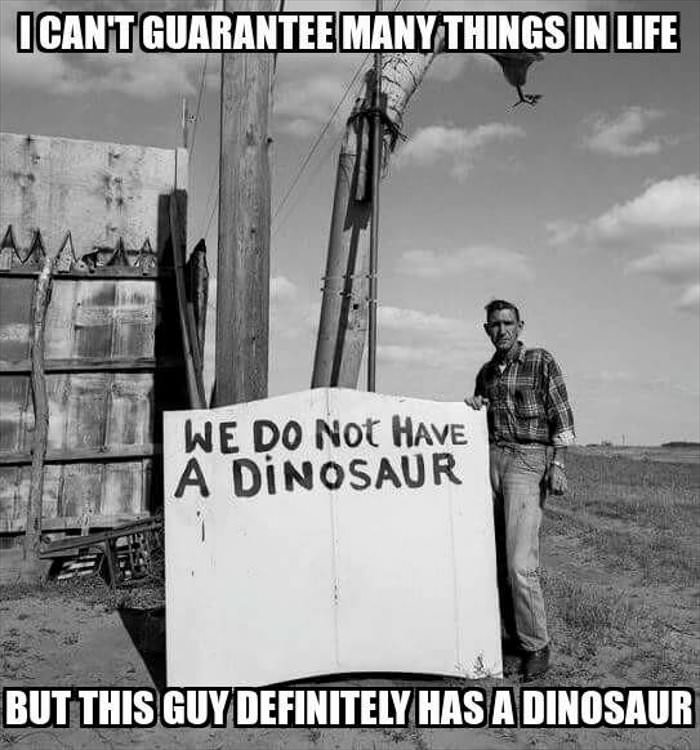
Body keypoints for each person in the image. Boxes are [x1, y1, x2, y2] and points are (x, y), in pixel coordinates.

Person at [465, 299, 575, 681]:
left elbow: (562, 416)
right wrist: (474, 405)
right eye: (495, 325)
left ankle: (536, 645)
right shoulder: (485, 373)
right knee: (494, 559)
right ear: (487, 330)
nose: (502, 330)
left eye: (508, 323)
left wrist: (558, 465)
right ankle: (512, 639)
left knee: (519, 563)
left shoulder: (541, 361)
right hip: (491, 459)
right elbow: (478, 422)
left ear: (520, 326)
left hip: (528, 461)